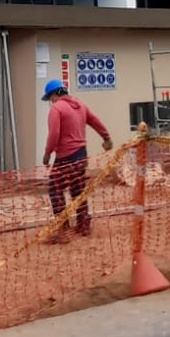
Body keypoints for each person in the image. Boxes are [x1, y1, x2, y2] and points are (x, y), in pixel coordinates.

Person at [41, 80, 112, 240]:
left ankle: (62, 228)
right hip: (81, 155)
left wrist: (47, 153)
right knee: (77, 190)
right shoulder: (80, 105)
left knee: (55, 189)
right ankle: (83, 225)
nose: (51, 101)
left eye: (50, 98)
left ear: (54, 94)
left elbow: (54, 134)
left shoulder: (56, 109)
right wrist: (106, 138)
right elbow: (95, 121)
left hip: (65, 157)